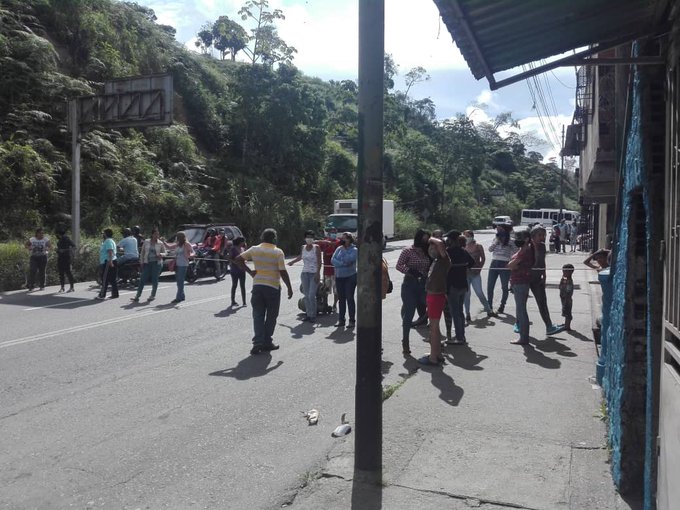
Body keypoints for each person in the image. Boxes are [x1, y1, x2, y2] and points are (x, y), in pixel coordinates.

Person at [233, 228, 293, 355]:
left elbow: (237, 259)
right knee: (271, 316)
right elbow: (283, 272)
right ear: (274, 238)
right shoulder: (278, 252)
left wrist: (250, 272)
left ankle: (257, 343)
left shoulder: (254, 249)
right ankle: (267, 342)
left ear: (262, 238)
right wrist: (289, 287)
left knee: (258, 315)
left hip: (258, 286)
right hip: (272, 288)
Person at [396, 229, 431, 354]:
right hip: (410, 284)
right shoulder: (408, 251)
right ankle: (405, 341)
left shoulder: (428, 251)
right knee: (409, 312)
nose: (426, 241)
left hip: (424, 285)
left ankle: (431, 336)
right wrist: (410, 271)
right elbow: (399, 265)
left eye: (428, 239)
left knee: (431, 308)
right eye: (424, 239)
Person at [418, 236, 451, 365]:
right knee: (433, 327)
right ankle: (436, 353)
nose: (431, 249)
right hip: (433, 296)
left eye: (433, 247)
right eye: (430, 247)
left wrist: (430, 238)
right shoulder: (437, 261)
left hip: (436, 297)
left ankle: (433, 358)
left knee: (434, 328)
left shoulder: (444, 260)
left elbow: (441, 243)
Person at [528, 225, 564, 336]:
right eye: (540, 235)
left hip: (538, 278)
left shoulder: (542, 246)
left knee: (543, 303)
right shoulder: (527, 246)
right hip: (525, 278)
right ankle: (519, 324)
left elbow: (542, 262)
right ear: (533, 236)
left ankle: (549, 326)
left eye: (544, 235)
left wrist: (544, 275)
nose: (542, 237)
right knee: (521, 304)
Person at [446, 231, 475, 345]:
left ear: (451, 240)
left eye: (448, 239)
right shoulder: (463, 251)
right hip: (463, 285)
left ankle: (459, 337)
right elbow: (472, 263)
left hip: (452, 286)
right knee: (460, 311)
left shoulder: (447, 252)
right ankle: (461, 335)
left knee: (455, 312)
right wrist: (463, 268)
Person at [506, 228, 534, 344]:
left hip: (520, 282)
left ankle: (524, 338)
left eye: (519, 238)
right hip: (519, 282)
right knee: (521, 310)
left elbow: (510, 265)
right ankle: (523, 336)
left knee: (521, 310)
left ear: (526, 239)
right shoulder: (524, 249)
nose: (517, 240)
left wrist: (512, 265)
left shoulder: (524, 251)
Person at [288, 230, 322, 322]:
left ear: (313, 238)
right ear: (305, 238)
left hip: (314, 273)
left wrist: (318, 273)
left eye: (311, 237)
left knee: (311, 295)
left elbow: (319, 261)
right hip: (304, 274)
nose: (309, 239)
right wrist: (292, 262)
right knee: (306, 295)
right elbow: (300, 257)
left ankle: (313, 315)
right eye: (308, 237)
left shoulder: (316, 248)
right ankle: (308, 314)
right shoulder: (303, 247)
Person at [463, 230, 494, 320]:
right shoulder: (463, 247)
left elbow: (483, 258)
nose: (466, 238)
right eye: (465, 236)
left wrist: (479, 268)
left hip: (475, 273)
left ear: (472, 236)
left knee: (479, 292)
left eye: (468, 236)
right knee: (467, 294)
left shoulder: (478, 246)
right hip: (465, 274)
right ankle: (467, 314)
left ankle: (488, 309)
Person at [487, 224, 517, 314]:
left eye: (500, 229)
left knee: (504, 287)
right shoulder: (495, 239)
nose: (498, 231)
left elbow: (516, 252)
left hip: (505, 264)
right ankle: (489, 306)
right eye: (497, 230)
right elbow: (490, 249)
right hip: (494, 262)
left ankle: (502, 306)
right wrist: (496, 241)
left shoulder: (511, 241)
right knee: (490, 286)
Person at [331, 232, 358, 328]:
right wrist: (342, 264)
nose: (343, 240)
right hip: (339, 277)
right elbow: (333, 260)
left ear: (350, 239)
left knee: (349, 298)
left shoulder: (354, 250)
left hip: (350, 276)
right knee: (341, 299)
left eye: (345, 238)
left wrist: (344, 251)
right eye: (342, 238)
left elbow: (349, 260)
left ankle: (352, 320)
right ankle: (341, 320)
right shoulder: (338, 249)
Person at [132, 227, 166, 302]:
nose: (157, 236)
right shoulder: (146, 242)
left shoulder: (160, 243)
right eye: (155, 234)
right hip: (147, 262)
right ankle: (137, 296)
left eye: (158, 234)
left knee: (154, 279)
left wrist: (161, 254)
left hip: (157, 263)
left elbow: (165, 253)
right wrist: (141, 262)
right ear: (152, 234)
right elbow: (142, 252)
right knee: (142, 279)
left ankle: (152, 295)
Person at [163, 231, 194, 303]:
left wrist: (190, 255)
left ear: (180, 237)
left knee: (180, 281)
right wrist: (163, 242)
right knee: (178, 281)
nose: (176, 238)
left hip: (183, 264)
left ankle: (178, 298)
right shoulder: (178, 244)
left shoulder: (186, 244)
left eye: (177, 237)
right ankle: (182, 296)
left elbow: (193, 252)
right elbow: (169, 247)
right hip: (177, 264)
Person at [317, 228, 341, 313]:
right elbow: (317, 245)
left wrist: (333, 245)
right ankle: (325, 304)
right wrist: (327, 243)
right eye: (332, 233)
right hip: (327, 271)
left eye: (335, 232)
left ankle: (335, 304)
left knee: (336, 290)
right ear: (329, 234)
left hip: (336, 271)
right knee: (325, 289)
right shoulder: (325, 242)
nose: (333, 234)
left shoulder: (338, 242)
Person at [25, 227, 51, 291]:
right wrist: (29, 248)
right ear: (37, 233)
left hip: (43, 257)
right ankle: (31, 286)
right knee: (33, 271)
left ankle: (42, 285)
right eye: (40, 233)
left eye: (43, 233)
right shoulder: (32, 239)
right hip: (34, 257)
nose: (42, 234)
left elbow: (49, 246)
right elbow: (26, 245)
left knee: (42, 271)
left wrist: (47, 250)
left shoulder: (46, 239)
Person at [96, 228, 118, 300]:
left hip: (108, 262)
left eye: (103, 233)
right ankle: (115, 294)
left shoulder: (108, 241)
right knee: (112, 279)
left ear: (106, 234)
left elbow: (110, 251)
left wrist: (110, 261)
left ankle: (102, 295)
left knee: (104, 278)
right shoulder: (109, 241)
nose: (102, 234)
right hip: (110, 261)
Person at [229, 237, 248, 306]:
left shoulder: (242, 249)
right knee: (234, 285)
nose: (244, 243)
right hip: (234, 270)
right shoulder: (233, 248)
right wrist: (236, 262)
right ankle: (233, 301)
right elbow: (230, 258)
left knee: (242, 286)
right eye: (243, 241)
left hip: (242, 270)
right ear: (240, 242)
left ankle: (244, 302)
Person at [559, 263, 575, 331]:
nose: (563, 273)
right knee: (565, 311)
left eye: (565, 271)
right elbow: (560, 286)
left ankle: (567, 326)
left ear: (570, 272)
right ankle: (566, 324)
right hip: (563, 298)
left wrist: (566, 299)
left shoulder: (569, 281)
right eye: (563, 271)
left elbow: (569, 291)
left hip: (567, 299)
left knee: (568, 312)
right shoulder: (565, 279)